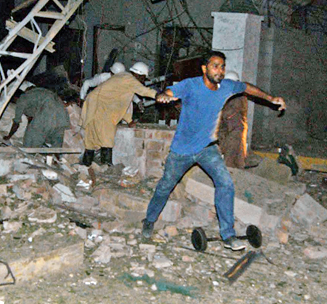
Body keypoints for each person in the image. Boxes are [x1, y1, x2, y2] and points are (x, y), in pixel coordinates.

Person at [142, 51, 286, 250]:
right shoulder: (191, 85)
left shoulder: (226, 86)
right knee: (165, 186)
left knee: (226, 184)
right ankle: (149, 220)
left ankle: (228, 235)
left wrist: (271, 98)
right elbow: (169, 92)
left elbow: (246, 87)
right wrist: (163, 97)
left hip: (208, 148)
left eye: (223, 66)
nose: (220, 70)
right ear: (204, 68)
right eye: (216, 66)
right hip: (181, 151)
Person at [80, 61, 157, 166]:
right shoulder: (129, 79)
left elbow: (119, 104)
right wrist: (159, 95)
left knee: (91, 138)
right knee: (107, 137)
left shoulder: (122, 77)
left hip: (93, 106)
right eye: (143, 77)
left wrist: (129, 120)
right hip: (101, 108)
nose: (143, 81)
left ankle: (86, 165)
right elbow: (144, 91)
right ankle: (106, 167)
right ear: (139, 75)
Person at [4, 84, 71, 148]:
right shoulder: (33, 94)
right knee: (56, 140)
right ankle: (57, 158)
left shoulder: (22, 99)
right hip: (62, 112)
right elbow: (31, 119)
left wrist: (8, 136)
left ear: (15, 97)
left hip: (48, 111)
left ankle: (30, 157)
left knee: (30, 142)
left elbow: (16, 124)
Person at [218, 70, 249, 168]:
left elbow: (229, 113)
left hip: (235, 130)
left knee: (231, 158)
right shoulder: (232, 95)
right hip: (229, 130)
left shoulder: (238, 96)